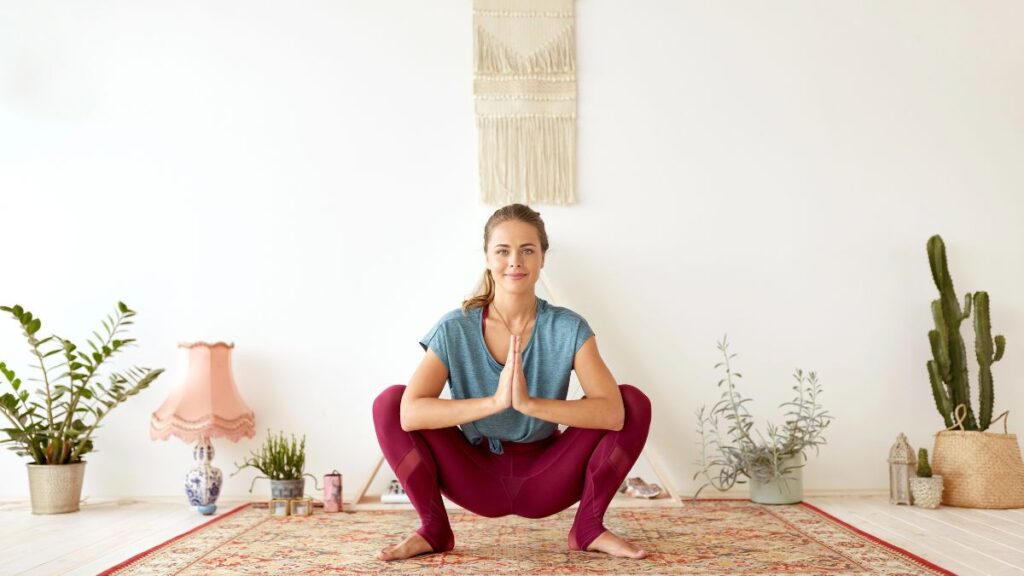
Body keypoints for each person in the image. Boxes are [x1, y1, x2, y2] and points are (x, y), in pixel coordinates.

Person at [372, 203, 652, 561]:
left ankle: (588, 527)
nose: (515, 261)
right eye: (503, 251)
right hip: (474, 476)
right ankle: (433, 529)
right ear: (488, 257)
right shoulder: (455, 327)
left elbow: (613, 413)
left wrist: (529, 404)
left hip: (547, 478)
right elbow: (409, 414)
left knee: (631, 401)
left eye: (527, 250)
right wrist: (494, 402)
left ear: (542, 258)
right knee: (390, 402)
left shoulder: (569, 327)